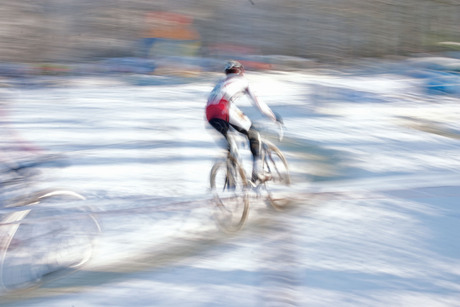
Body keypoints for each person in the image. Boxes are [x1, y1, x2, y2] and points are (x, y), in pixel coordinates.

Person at [205, 60, 282, 183]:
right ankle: (258, 173)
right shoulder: (243, 81)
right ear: (241, 71)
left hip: (209, 113)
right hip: (224, 109)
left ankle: (231, 175)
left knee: (230, 143)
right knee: (254, 134)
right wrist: (273, 116)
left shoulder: (220, 82)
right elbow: (259, 103)